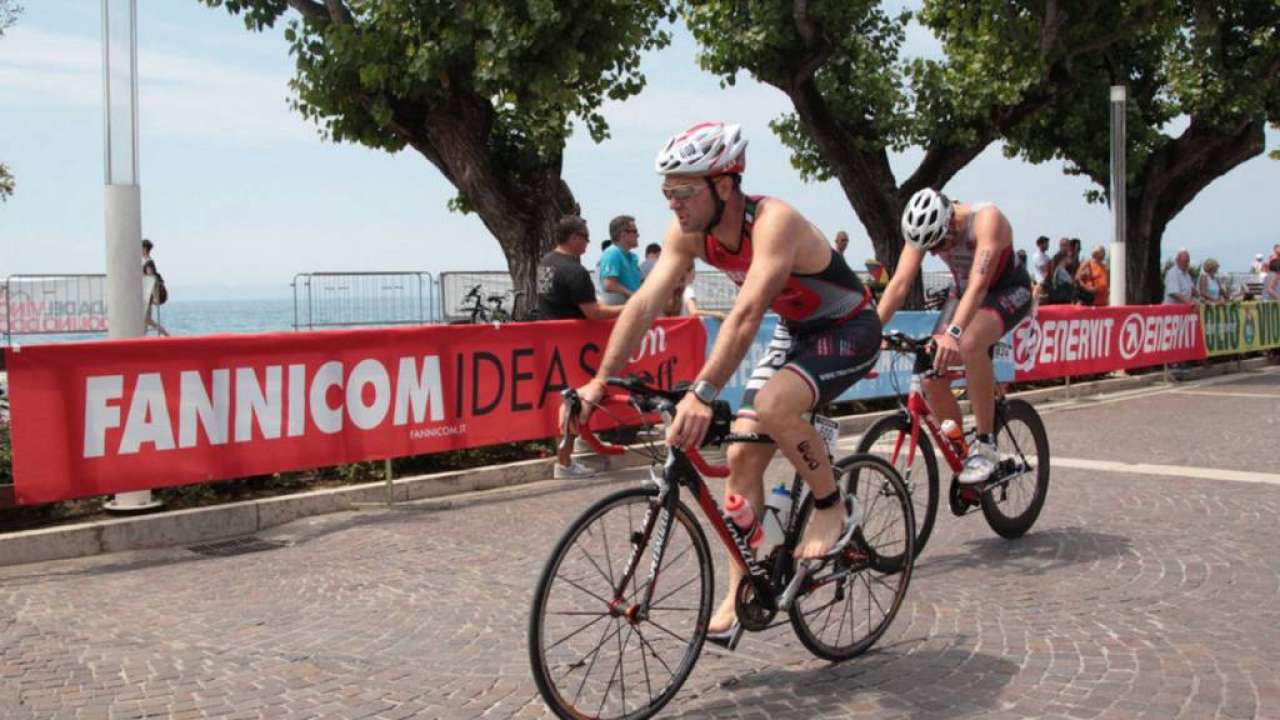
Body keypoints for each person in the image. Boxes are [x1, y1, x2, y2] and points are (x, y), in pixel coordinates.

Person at [569, 122, 881, 637]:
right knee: (739, 456)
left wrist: (703, 392)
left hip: (848, 327)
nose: (673, 204)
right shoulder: (687, 233)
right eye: (667, 192)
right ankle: (742, 590)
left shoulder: (774, 222)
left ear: (723, 184)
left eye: (684, 191)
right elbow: (644, 304)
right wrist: (600, 381)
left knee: (777, 406)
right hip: (797, 330)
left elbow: (748, 313)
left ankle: (830, 506)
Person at [878, 188, 1033, 486]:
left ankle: (986, 446)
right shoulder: (924, 231)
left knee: (970, 342)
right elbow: (899, 284)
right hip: (962, 294)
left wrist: (953, 334)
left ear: (950, 222)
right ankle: (963, 452)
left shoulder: (987, 220)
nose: (935, 253)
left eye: (939, 244)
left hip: (1006, 290)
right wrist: (870, 330)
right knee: (930, 370)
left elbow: (978, 285)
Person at [537, 216, 624, 480]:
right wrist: (628, 309)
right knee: (573, 402)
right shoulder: (574, 271)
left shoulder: (545, 262)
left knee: (563, 402)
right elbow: (593, 312)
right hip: (572, 347)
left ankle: (566, 457)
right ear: (574, 237)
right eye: (585, 237)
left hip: (550, 341)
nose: (588, 242)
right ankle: (564, 462)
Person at [598, 215, 643, 305]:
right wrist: (635, 297)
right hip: (621, 310)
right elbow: (610, 284)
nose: (638, 235)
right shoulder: (612, 253)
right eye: (635, 231)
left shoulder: (632, 257)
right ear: (623, 234)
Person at [141, 239, 170, 336]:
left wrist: (155, 297)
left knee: (146, 319)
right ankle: (165, 333)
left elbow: (151, 277)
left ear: (145, 249)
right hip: (149, 294)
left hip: (149, 294)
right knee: (146, 319)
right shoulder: (147, 261)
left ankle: (165, 333)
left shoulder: (148, 262)